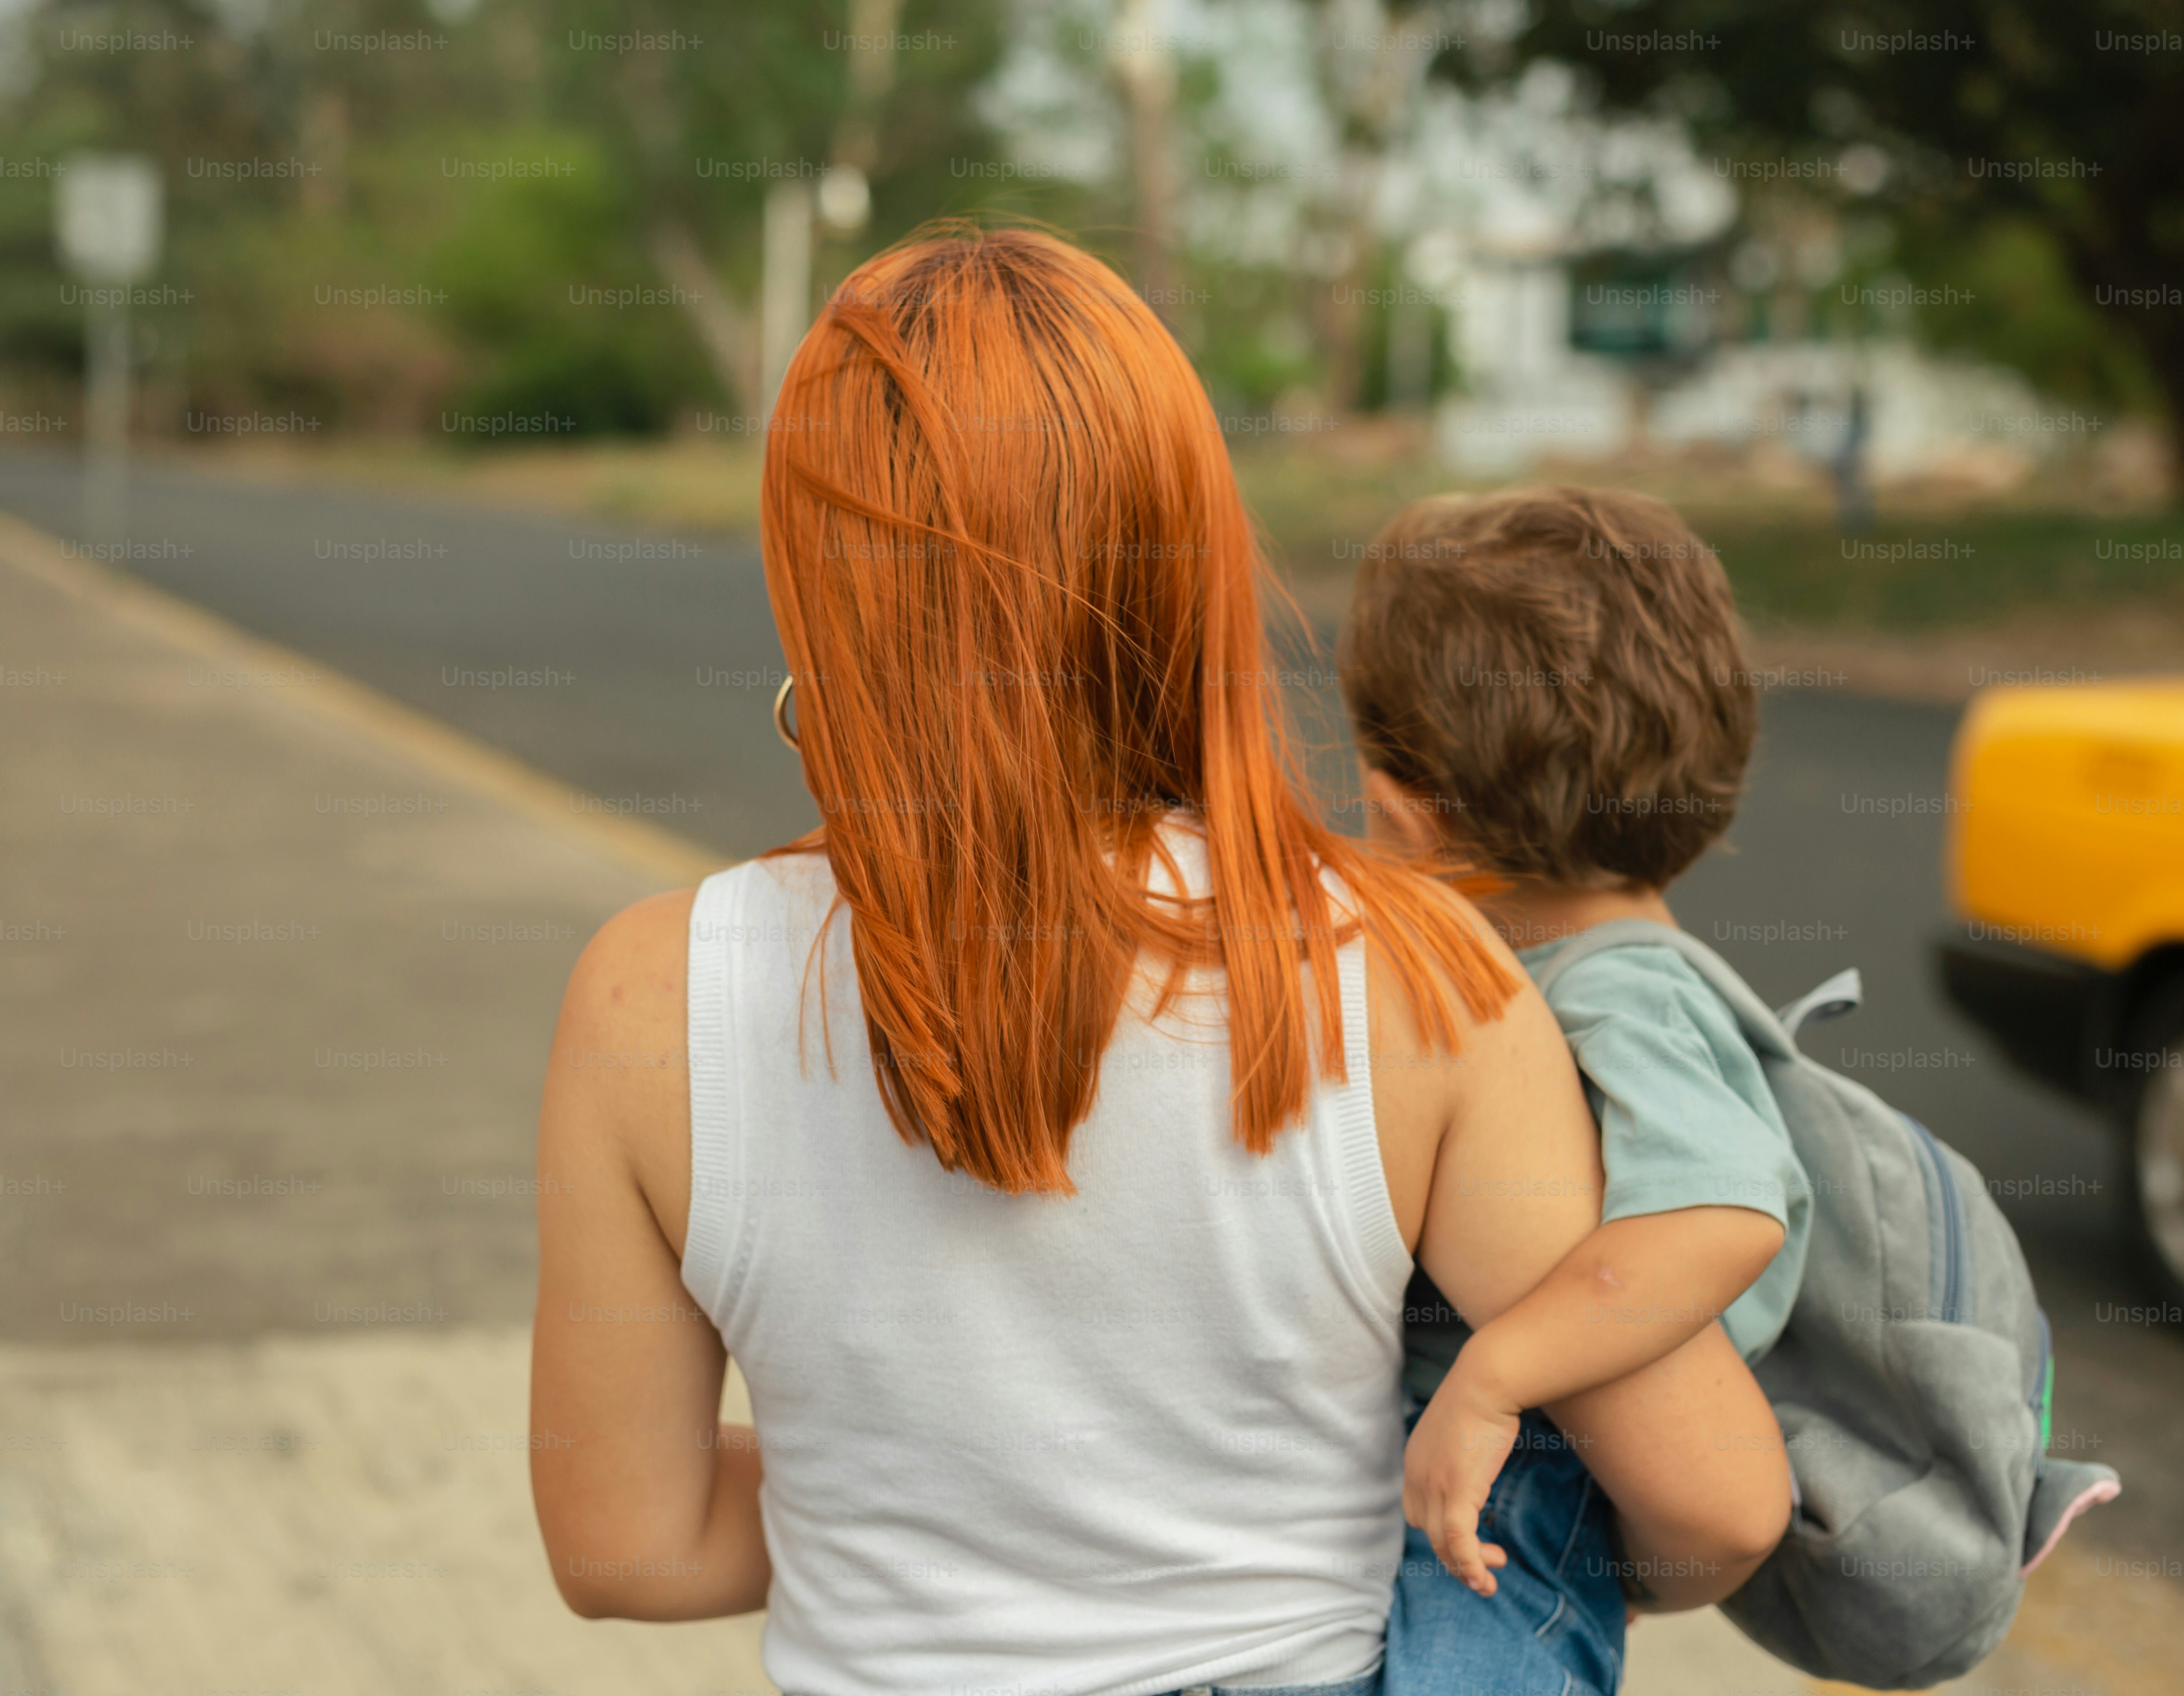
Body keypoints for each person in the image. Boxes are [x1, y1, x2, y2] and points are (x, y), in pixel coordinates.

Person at [525, 227, 1790, 1696]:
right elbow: (1716, 1505)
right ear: (1187, 545)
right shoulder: (1415, 975)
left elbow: (625, 1545)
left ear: (819, 569)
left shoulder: (645, 996)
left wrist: (907, 1499)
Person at [1339, 486, 1817, 1692]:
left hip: (1531, 1465)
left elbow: (1723, 1215)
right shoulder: (1580, 970)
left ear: (1408, 811)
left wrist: (1496, 1378)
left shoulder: (1623, 995)